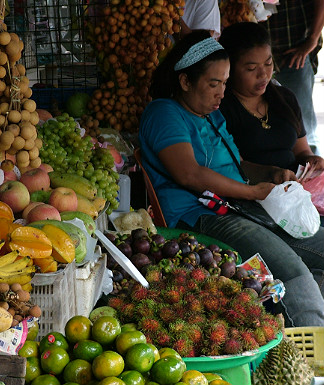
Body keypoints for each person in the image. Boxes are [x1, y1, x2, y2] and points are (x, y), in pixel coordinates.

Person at [138, 30, 324, 327]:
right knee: (291, 270)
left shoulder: (211, 114)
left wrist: (269, 174)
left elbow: (237, 163)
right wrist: (253, 193)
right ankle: (312, 358)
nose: (222, 93)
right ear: (185, 81)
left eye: (224, 83)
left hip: (238, 206)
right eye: (214, 84)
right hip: (201, 216)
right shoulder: (164, 113)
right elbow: (189, 174)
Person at [218, 22, 324, 174]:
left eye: (268, 63)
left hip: (294, 188)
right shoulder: (221, 109)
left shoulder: (285, 98)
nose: (263, 74)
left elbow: (302, 152)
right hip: (249, 192)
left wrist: (312, 160)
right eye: (251, 69)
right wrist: (271, 175)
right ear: (229, 69)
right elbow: (232, 167)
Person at [263, 0, 324, 154]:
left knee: (304, 127)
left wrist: (312, 39)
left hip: (294, 50)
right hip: (254, 53)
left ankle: (313, 175)